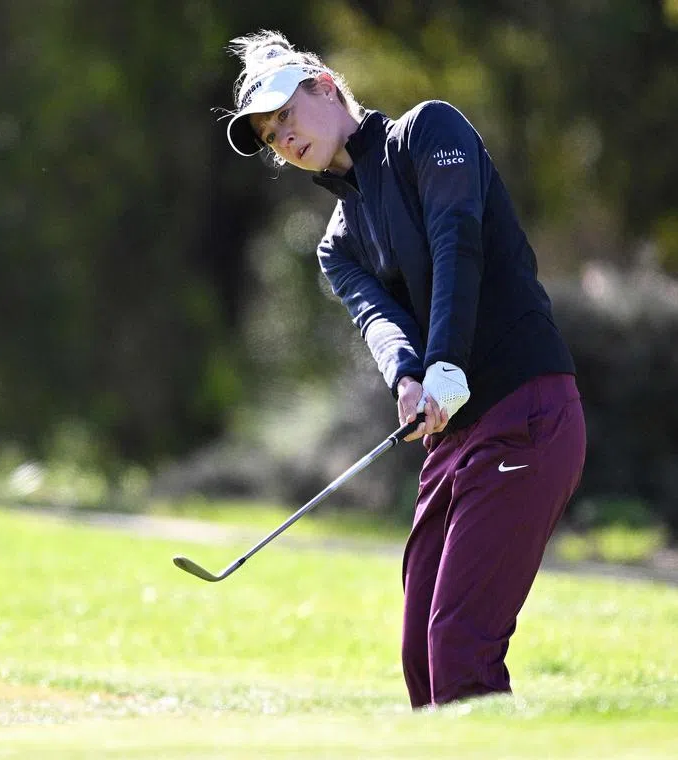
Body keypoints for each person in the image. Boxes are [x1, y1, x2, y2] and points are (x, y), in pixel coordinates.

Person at [220, 30, 587, 708]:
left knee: (460, 644)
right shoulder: (337, 241)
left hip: (527, 413)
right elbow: (379, 320)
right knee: (422, 651)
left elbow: (457, 242)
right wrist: (409, 377)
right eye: (271, 136)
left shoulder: (428, 132)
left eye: (287, 116)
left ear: (326, 86)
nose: (284, 139)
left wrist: (445, 358)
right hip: (454, 437)